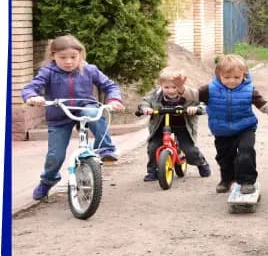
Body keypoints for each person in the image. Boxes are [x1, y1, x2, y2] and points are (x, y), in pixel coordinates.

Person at [22, 34, 126, 200]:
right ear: (53, 56)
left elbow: (109, 85)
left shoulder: (89, 70)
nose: (68, 61)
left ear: (81, 55)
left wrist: (113, 99)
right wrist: (32, 96)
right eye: (62, 57)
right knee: (55, 156)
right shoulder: (48, 72)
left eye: (73, 57)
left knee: (93, 112)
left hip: (84, 108)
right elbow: (31, 87)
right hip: (59, 115)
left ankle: (106, 148)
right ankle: (48, 180)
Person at [199, 54, 268, 195]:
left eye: (237, 77)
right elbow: (197, 101)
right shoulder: (208, 89)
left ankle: (247, 181)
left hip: (245, 128)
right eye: (227, 77)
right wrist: (196, 107)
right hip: (221, 130)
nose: (232, 81)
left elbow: (263, 104)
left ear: (244, 75)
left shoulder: (249, 90)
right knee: (224, 158)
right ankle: (226, 179)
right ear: (218, 74)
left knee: (246, 152)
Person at [137, 68, 211, 181]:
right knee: (153, 147)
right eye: (166, 87)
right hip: (161, 125)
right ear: (161, 86)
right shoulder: (156, 95)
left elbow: (201, 102)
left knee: (189, 149)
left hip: (182, 125)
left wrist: (196, 108)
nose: (171, 91)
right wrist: (145, 108)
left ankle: (201, 163)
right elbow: (145, 101)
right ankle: (153, 170)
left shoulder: (187, 94)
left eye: (174, 87)